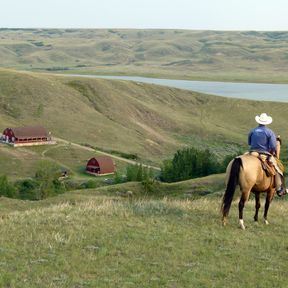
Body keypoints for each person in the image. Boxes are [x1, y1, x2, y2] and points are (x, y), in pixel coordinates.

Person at [248, 112, 287, 196]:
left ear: (258, 121)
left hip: (252, 152)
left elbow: (249, 143)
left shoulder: (252, 131)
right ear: (266, 122)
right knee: (277, 167)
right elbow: (273, 146)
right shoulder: (269, 132)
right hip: (264, 153)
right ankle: (279, 189)